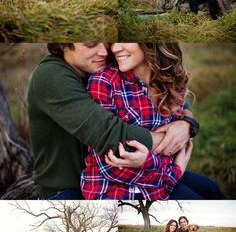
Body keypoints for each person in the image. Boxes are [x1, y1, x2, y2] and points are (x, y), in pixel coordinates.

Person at [27, 42, 199, 199]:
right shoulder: (51, 75)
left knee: (209, 189)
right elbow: (113, 136)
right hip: (70, 188)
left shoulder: (105, 60)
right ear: (63, 44)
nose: (104, 51)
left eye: (106, 41)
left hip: (134, 170)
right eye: (91, 44)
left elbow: (175, 98)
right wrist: (172, 141)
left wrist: (186, 124)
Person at [81, 42, 198, 200]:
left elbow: (177, 148)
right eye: (114, 42)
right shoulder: (104, 82)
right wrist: (173, 173)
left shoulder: (173, 80)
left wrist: (187, 123)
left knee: (213, 190)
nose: (115, 49)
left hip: (159, 190)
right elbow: (112, 166)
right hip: (112, 191)